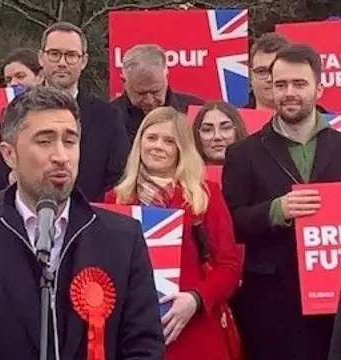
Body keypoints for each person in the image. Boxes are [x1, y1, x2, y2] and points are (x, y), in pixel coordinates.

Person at [0, 85, 164, 360]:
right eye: (44, 141)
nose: (61, 156)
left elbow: (144, 349)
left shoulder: (123, 239)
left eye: (70, 141)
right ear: (9, 155)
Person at [223, 44, 341, 360]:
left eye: (299, 84)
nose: (289, 92)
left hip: (336, 303)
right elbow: (230, 223)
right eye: (280, 84)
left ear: (319, 87)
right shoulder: (242, 153)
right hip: (271, 310)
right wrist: (277, 210)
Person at [106, 107, 241, 360]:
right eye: (152, 137)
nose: (158, 146)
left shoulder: (205, 196)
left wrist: (196, 299)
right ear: (139, 142)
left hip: (195, 333)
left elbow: (229, 267)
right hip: (134, 335)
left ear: (182, 149)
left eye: (169, 141)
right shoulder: (116, 200)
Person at [0, 22, 130, 202]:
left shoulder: (108, 116)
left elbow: (118, 179)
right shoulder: (16, 111)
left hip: (90, 221)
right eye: (54, 54)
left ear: (84, 61)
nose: (62, 63)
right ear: (41, 58)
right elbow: (3, 174)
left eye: (71, 55)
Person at [111, 44, 204, 143]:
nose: (149, 101)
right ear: (124, 81)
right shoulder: (107, 117)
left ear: (166, 76)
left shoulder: (195, 110)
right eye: (141, 93)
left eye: (155, 92)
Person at [245, 33, 290, 110]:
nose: (270, 78)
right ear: (250, 78)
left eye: (277, 70)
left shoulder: (313, 120)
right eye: (261, 71)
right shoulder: (235, 121)